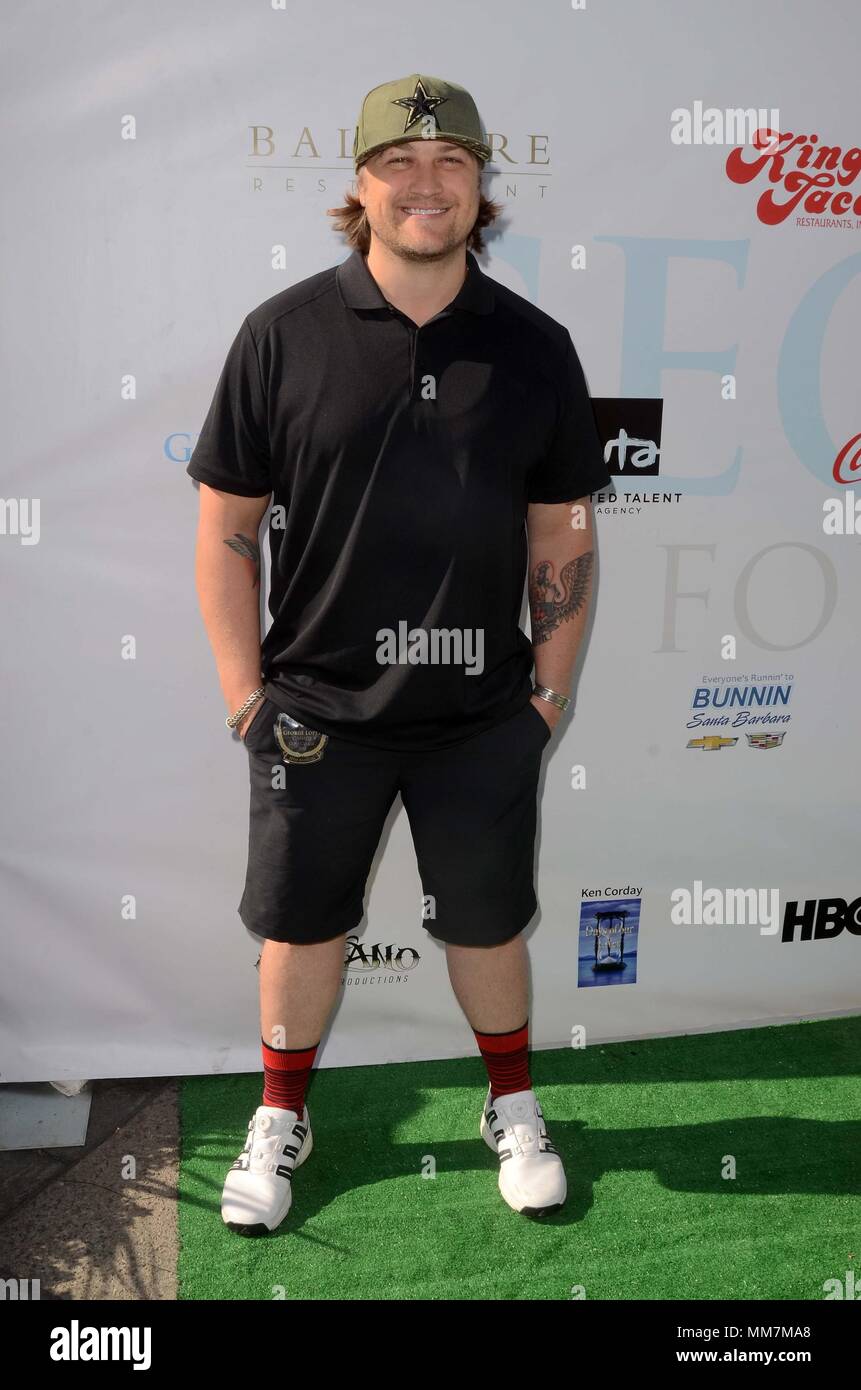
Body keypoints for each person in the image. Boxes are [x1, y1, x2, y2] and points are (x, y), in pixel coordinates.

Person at [186, 73, 612, 1236]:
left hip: (481, 712)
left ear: (481, 185)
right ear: (359, 186)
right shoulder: (280, 335)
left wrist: (547, 697)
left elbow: (563, 529)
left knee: (485, 923)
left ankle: (513, 1104)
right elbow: (226, 531)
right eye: (401, 164)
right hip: (317, 707)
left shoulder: (533, 346)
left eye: (454, 165)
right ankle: (281, 1116)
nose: (428, 184)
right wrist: (243, 697)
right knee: (301, 925)